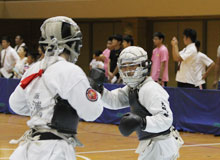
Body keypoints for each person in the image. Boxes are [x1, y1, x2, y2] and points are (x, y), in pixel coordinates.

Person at [9, 16, 103, 160]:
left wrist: (41, 110)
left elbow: (15, 105)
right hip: (56, 150)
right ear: (71, 44)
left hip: (29, 148)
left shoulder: (33, 69)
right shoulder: (70, 70)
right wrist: (94, 92)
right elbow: (92, 112)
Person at [92, 46, 183, 160]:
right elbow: (115, 101)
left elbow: (166, 118)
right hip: (154, 144)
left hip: (161, 145)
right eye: (124, 67)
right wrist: (99, 89)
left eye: (132, 66)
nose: (128, 71)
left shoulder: (150, 89)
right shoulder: (134, 88)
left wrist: (142, 122)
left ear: (143, 66)